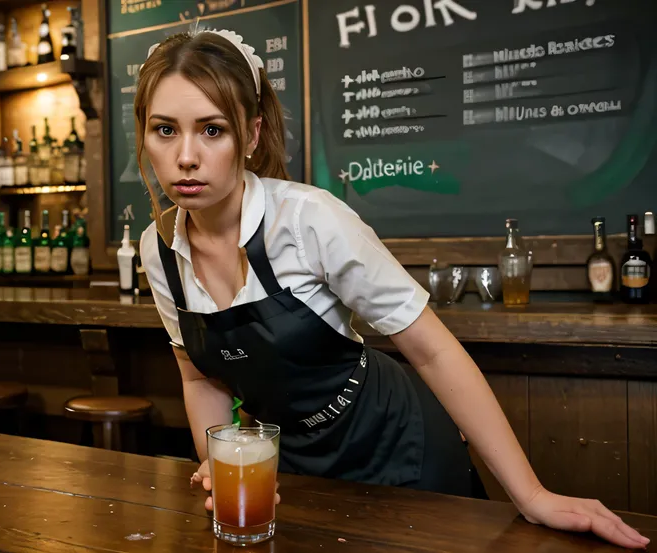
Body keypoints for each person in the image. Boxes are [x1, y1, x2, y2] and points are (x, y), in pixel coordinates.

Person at [136, 29, 649, 550]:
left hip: (393, 438)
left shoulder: (309, 221)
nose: (185, 156)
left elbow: (432, 349)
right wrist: (217, 460)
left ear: (250, 135)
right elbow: (201, 380)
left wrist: (533, 496)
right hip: (288, 458)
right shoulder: (158, 249)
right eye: (165, 130)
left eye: (212, 130)